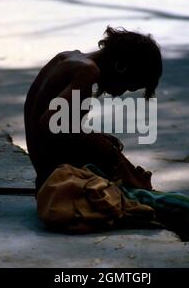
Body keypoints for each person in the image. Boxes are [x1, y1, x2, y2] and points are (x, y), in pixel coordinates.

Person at [24, 26, 162, 193]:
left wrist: (98, 140)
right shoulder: (87, 71)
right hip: (55, 180)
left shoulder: (68, 57)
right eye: (128, 85)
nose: (121, 93)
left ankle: (135, 180)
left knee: (107, 149)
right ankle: (138, 184)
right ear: (121, 66)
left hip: (48, 175)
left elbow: (60, 126)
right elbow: (48, 124)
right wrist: (104, 148)